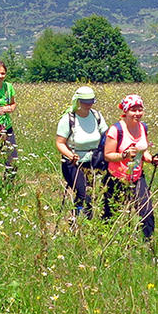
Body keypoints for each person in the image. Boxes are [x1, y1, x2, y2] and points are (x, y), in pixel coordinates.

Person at [103, 94, 158, 242]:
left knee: (146, 211)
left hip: (137, 177)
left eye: (140, 109)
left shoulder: (142, 127)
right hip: (117, 178)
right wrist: (124, 156)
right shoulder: (116, 130)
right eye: (133, 110)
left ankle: (148, 245)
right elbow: (108, 155)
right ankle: (107, 242)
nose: (137, 113)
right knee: (111, 214)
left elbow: (144, 152)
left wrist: (151, 159)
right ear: (126, 111)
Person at [54, 86, 107, 219]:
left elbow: (107, 135)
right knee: (84, 193)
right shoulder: (68, 119)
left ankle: (86, 221)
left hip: (94, 161)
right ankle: (78, 219)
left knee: (93, 193)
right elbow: (60, 142)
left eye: (91, 101)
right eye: (84, 102)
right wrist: (70, 155)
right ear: (77, 101)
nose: (88, 105)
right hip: (73, 163)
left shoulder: (97, 116)